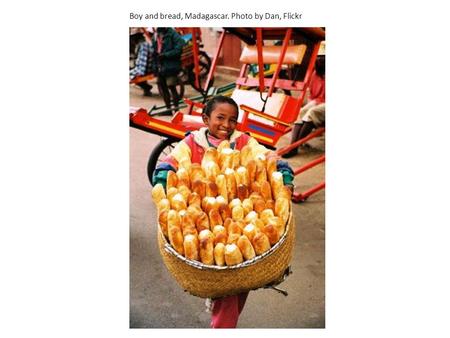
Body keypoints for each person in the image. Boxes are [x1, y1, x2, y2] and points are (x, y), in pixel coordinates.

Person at [152, 95, 294, 328]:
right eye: (220, 118)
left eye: (232, 120)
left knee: (241, 278)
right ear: (206, 119)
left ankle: (223, 316)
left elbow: (269, 157)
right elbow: (169, 164)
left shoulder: (244, 142)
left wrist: (284, 175)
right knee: (230, 286)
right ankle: (222, 324)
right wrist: (161, 181)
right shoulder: (191, 143)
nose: (226, 125)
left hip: (243, 204)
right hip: (199, 211)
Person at [282, 55, 325, 158]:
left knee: (312, 113)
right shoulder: (315, 74)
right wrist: (309, 105)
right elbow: (312, 95)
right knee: (301, 112)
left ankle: (294, 148)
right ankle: (293, 145)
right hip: (318, 101)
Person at [151, 27, 185, 112]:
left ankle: (176, 110)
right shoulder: (155, 35)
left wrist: (166, 55)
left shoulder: (173, 34)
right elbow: (154, 51)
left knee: (171, 86)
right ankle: (168, 110)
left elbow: (179, 49)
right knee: (163, 87)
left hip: (171, 66)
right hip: (160, 66)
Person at [129, 28, 155, 97]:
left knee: (131, 76)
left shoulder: (144, 45)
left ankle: (146, 88)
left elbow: (143, 63)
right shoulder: (151, 42)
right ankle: (146, 88)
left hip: (146, 68)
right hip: (150, 66)